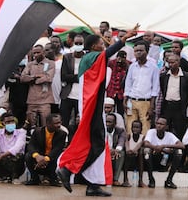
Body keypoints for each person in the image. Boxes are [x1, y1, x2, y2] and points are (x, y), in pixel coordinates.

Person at [57, 28, 137, 197]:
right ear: (94, 46)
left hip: (92, 104)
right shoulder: (92, 56)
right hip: (92, 106)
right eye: (101, 43)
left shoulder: (89, 57)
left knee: (96, 144)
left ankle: (93, 184)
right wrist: (124, 39)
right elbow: (109, 52)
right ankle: (68, 170)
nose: (103, 45)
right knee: (99, 143)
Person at [124, 40, 160, 135]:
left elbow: (155, 89)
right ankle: (131, 148)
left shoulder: (153, 67)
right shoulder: (132, 66)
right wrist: (125, 100)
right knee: (130, 126)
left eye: (141, 50)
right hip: (131, 101)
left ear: (147, 52)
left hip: (145, 102)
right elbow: (128, 84)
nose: (138, 52)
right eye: (136, 51)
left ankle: (144, 149)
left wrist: (152, 106)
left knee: (145, 127)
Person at [24, 114, 66, 186]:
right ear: (48, 124)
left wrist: (46, 159)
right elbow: (31, 145)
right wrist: (37, 156)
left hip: (51, 158)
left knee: (58, 157)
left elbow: (57, 149)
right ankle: (34, 179)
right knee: (28, 156)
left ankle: (53, 179)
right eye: (56, 123)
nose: (59, 125)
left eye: (60, 122)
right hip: (39, 157)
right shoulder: (37, 131)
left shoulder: (62, 134)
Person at [0, 112, 26, 184]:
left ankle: (15, 177)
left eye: (12, 121)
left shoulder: (21, 133)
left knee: (18, 155)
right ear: (3, 123)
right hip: (3, 162)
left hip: (16, 162)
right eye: (8, 122)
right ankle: (0, 176)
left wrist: (0, 157)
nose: (11, 123)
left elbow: (17, 148)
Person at [144, 117, 185, 189]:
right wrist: (158, 148)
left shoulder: (170, 135)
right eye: (157, 123)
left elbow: (181, 145)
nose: (158, 125)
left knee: (179, 152)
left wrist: (164, 146)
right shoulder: (151, 132)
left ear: (166, 127)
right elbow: (146, 143)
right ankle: (151, 180)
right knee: (147, 150)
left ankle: (169, 180)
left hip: (165, 161)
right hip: (153, 159)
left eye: (161, 124)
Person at [20, 44, 55, 127]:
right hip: (32, 100)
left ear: (43, 52)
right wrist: (35, 77)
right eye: (34, 53)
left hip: (45, 99)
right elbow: (23, 78)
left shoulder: (51, 63)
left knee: (46, 125)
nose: (36, 55)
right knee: (31, 125)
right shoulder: (30, 64)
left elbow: (48, 78)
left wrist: (33, 80)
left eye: (38, 52)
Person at [160, 54, 188, 139]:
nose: (170, 65)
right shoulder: (164, 76)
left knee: (179, 129)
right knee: (165, 128)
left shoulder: (186, 77)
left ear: (178, 63)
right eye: (169, 62)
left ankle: (178, 149)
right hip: (167, 105)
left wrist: (183, 105)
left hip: (179, 107)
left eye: (172, 62)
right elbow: (163, 89)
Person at [60, 34, 85, 128]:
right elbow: (63, 76)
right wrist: (79, 77)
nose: (78, 45)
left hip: (82, 95)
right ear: (73, 44)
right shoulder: (67, 57)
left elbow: (88, 76)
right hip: (68, 94)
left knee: (79, 122)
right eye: (76, 43)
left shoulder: (87, 58)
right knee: (64, 121)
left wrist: (73, 77)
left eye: (80, 43)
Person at [107, 50, 130, 117]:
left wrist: (125, 64)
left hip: (121, 92)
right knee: (110, 110)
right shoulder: (112, 63)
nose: (119, 60)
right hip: (112, 91)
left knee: (121, 111)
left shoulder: (128, 64)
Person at [122, 120, 145, 187]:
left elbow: (140, 145)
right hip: (129, 160)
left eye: (137, 127)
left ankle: (140, 180)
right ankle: (125, 179)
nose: (135, 129)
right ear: (131, 128)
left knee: (141, 153)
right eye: (134, 127)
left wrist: (134, 150)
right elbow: (126, 145)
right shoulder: (129, 136)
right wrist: (128, 150)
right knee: (127, 154)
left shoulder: (143, 137)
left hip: (138, 162)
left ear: (141, 129)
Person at [106, 113, 126, 186]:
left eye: (109, 122)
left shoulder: (120, 130)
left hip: (115, 152)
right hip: (104, 151)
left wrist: (117, 150)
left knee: (121, 154)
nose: (107, 124)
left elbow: (122, 141)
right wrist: (108, 150)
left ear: (115, 123)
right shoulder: (102, 129)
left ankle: (115, 179)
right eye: (106, 121)